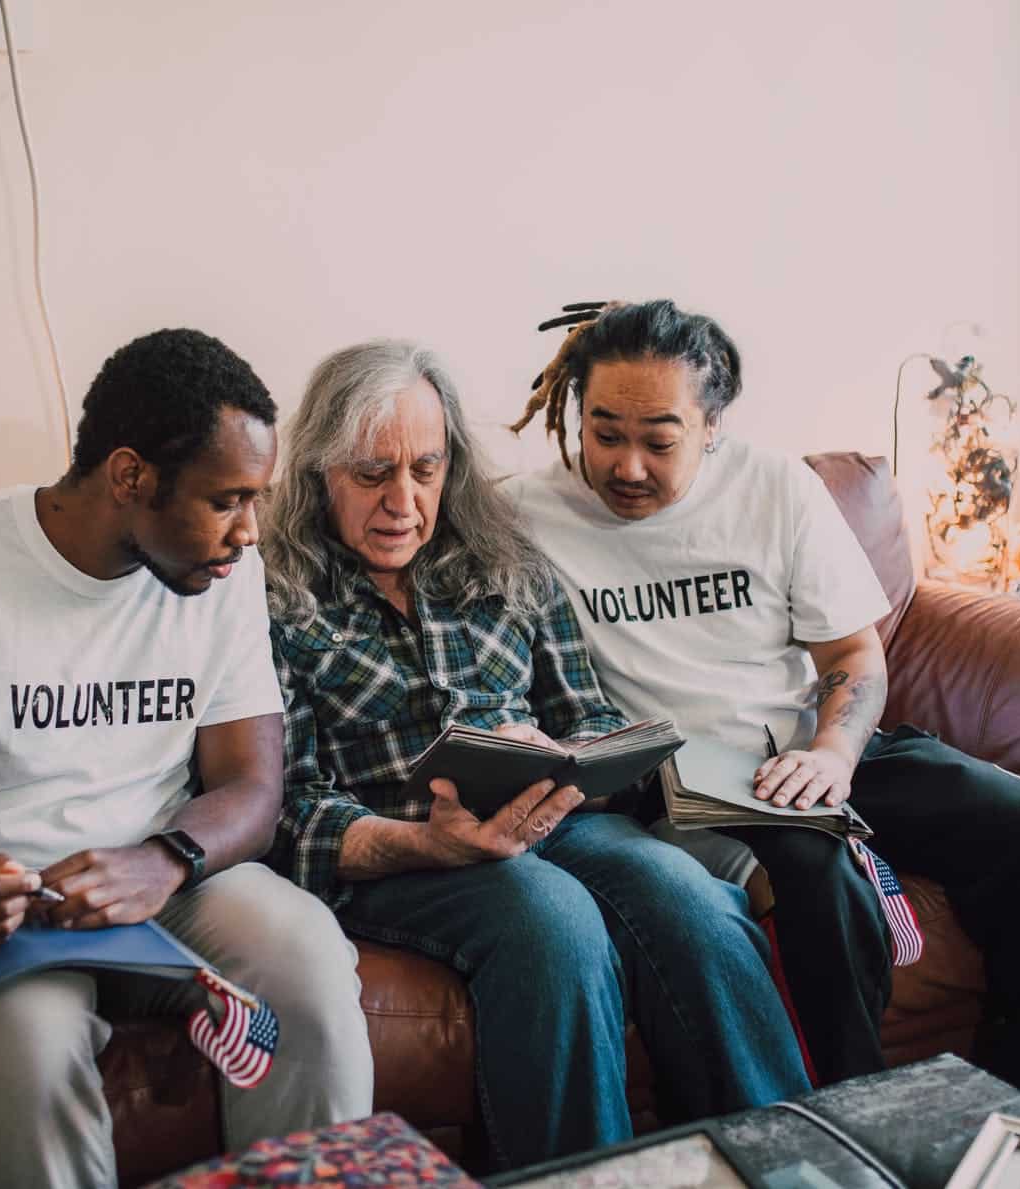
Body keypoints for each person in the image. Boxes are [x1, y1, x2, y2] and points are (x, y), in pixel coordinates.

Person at [505, 299, 1020, 1112]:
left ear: (712, 426)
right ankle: (850, 1139)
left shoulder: (778, 488)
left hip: (817, 746)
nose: (628, 465)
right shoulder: (525, 516)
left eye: (659, 439)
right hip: (691, 785)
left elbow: (854, 654)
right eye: (605, 432)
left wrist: (832, 754)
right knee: (817, 889)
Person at [0, 329, 374, 1189]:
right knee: (29, 1047)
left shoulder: (222, 577)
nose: (248, 532)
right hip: (9, 914)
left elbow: (251, 786)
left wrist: (163, 861)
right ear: (129, 477)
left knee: (306, 957)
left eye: (254, 500)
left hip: (169, 885)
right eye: (226, 499)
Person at [261, 339, 809, 1171]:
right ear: (318, 473)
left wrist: (560, 758)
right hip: (403, 849)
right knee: (552, 921)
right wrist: (425, 843)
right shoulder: (275, 597)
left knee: (689, 897)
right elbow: (286, 806)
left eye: (426, 468)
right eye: (372, 474)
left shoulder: (504, 559)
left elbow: (585, 711)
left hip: (550, 818)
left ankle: (784, 1164)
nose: (404, 501)